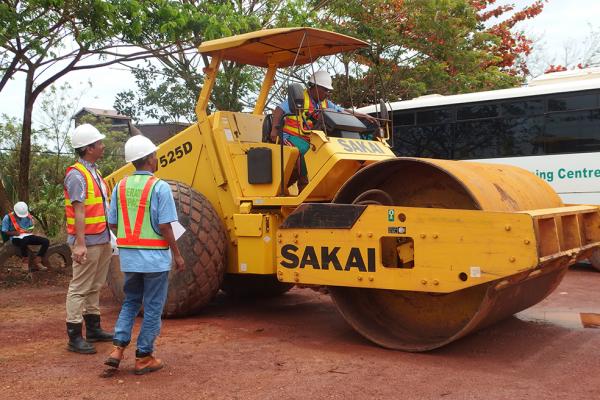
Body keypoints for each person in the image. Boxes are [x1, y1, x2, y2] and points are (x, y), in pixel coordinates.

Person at [104, 135, 184, 375]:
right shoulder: (159, 187)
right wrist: (177, 255)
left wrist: (129, 241)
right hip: (155, 260)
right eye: (155, 155)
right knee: (152, 307)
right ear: (150, 158)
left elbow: (113, 223)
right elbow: (166, 226)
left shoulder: (120, 186)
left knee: (130, 302)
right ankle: (144, 357)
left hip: (129, 258)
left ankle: (117, 350)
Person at [269, 70, 378, 190]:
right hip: (288, 136)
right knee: (304, 151)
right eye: (325, 90)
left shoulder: (325, 103)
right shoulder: (300, 98)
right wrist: (274, 130)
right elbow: (279, 110)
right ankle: (304, 186)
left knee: (325, 151)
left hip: (307, 138)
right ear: (315, 87)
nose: (327, 93)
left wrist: (364, 116)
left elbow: (342, 110)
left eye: (328, 91)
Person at [64, 123, 114, 354]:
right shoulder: (76, 175)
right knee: (79, 287)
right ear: (88, 148)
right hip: (88, 241)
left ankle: (93, 328)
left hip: (101, 238)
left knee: (95, 285)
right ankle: (75, 336)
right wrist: (80, 243)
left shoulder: (94, 171)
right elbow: (79, 211)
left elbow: (102, 206)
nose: (102, 146)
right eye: (99, 143)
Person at [1, 201, 49, 271]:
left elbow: (30, 228)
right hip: (15, 238)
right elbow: (4, 231)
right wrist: (14, 233)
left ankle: (37, 260)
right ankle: (25, 262)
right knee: (24, 241)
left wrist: (31, 228)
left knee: (46, 241)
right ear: (14, 211)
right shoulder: (7, 217)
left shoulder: (28, 216)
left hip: (27, 236)